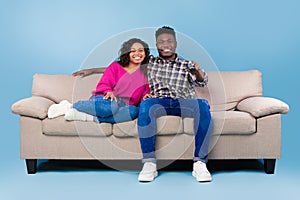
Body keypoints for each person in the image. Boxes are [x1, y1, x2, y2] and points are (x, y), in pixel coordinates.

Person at [73, 26, 212, 183]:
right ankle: (149, 163)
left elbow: (202, 81)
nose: (166, 44)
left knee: (203, 105)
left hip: (182, 102)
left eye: (169, 41)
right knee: (145, 105)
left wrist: (197, 72)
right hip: (158, 101)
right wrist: (92, 70)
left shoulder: (186, 65)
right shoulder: (150, 61)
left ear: (175, 43)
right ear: (156, 44)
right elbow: (124, 66)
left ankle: (200, 163)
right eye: (161, 42)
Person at [48, 38, 150, 124]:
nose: (137, 53)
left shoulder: (145, 74)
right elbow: (105, 83)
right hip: (106, 100)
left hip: (124, 106)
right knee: (111, 107)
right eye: (133, 50)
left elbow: (145, 92)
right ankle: (69, 106)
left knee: (133, 111)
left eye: (141, 50)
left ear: (145, 54)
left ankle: (89, 117)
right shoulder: (115, 66)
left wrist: (146, 96)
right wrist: (108, 92)